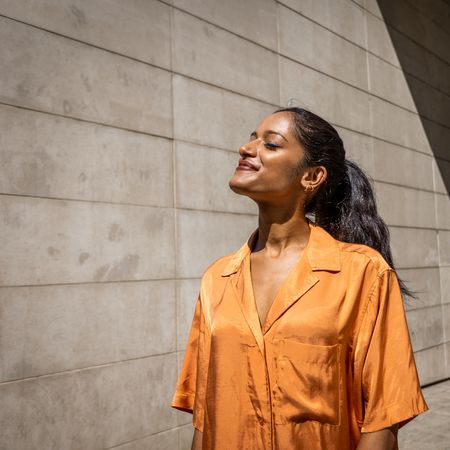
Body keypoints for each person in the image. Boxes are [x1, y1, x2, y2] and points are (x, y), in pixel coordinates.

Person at [171, 107, 429, 449]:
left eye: (271, 144)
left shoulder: (363, 273)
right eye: (251, 138)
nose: (246, 149)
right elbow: (206, 414)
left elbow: (382, 419)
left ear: (312, 177)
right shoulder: (217, 278)